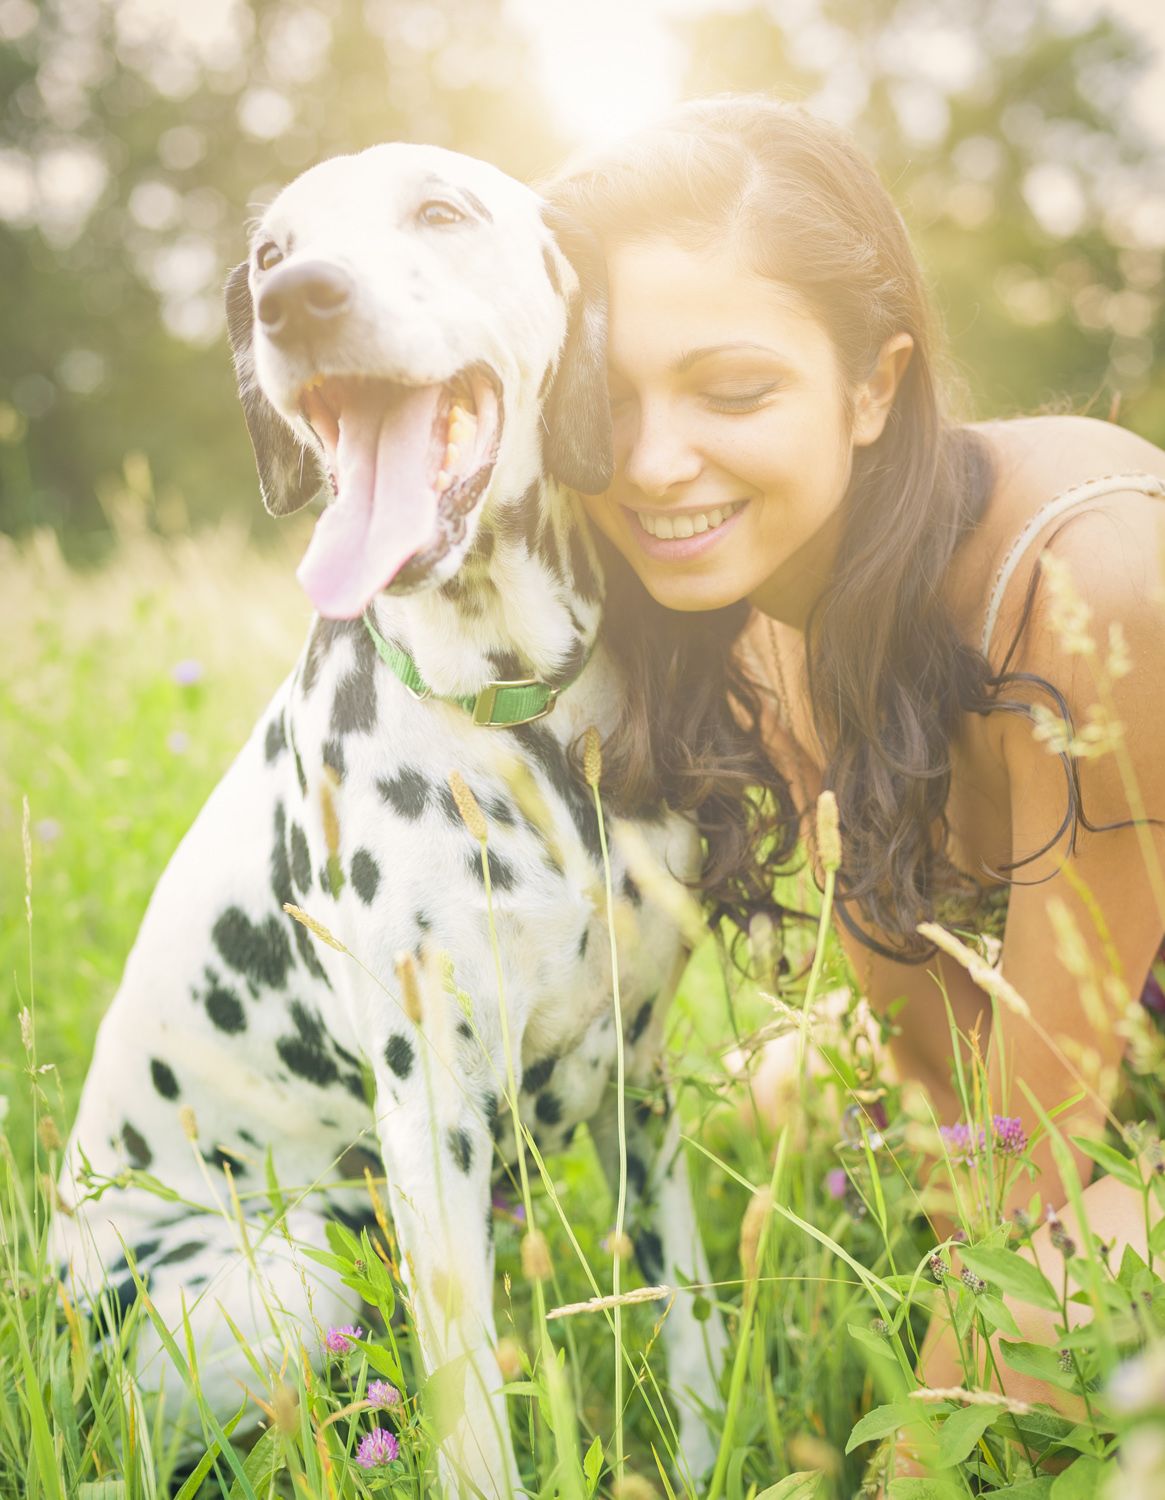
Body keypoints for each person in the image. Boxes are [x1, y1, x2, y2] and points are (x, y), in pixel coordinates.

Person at [549, 95, 1165, 1448]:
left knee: (1053, 1302)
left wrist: (908, 1455)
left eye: (732, 389)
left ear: (874, 384)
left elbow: (1028, 1164)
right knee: (789, 1087)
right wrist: (940, 1276)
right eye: (606, 400)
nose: (653, 463)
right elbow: (945, 1093)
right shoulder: (773, 618)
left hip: (1100, 1073)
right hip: (1106, 1051)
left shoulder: (1088, 591)